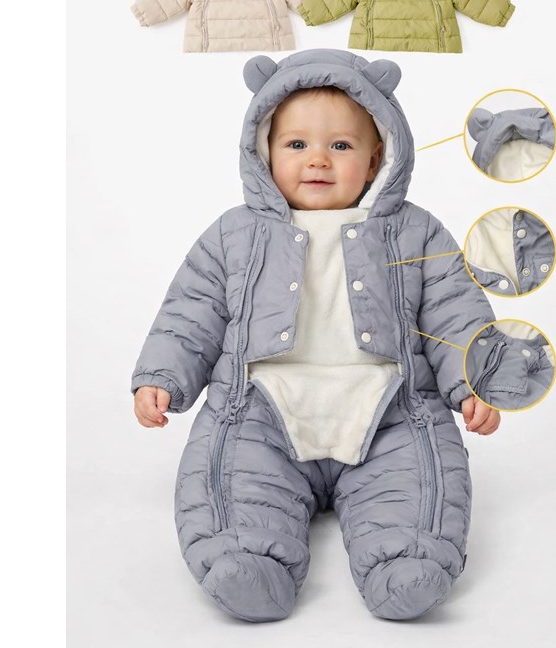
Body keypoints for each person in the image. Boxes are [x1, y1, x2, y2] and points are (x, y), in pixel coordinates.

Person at [131, 49, 500, 623]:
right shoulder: (234, 234)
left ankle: (406, 559)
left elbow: (455, 311)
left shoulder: (416, 232)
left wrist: (476, 379)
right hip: (261, 407)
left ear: (378, 157)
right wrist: (162, 376)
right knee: (233, 474)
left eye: (342, 145)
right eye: (296, 144)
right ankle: (247, 558)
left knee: (417, 478)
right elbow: (191, 310)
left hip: (389, 409)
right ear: (263, 151)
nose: (318, 160)